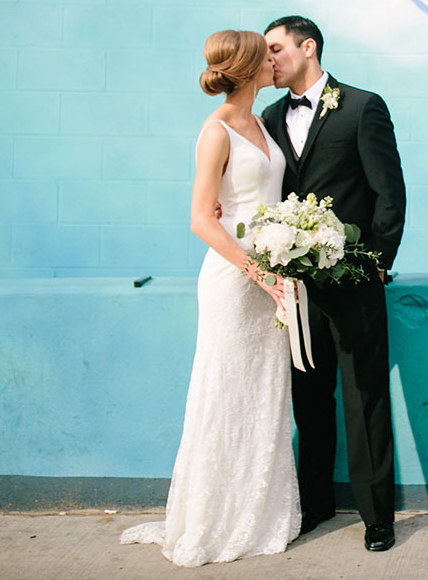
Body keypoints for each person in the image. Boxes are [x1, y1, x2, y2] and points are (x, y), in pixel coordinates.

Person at [120, 30, 300, 566]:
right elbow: (202, 218)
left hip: (271, 274)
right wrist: (257, 272)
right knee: (224, 394)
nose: (276, 62)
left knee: (266, 395)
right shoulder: (215, 131)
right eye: (268, 56)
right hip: (232, 280)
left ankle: (261, 513)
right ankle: (211, 520)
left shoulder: (263, 124)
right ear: (248, 68)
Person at [260, 15, 407, 551]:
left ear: (308, 47)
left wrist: (375, 263)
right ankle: (316, 502)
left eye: (275, 49)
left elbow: (389, 193)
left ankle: (377, 519)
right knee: (309, 398)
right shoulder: (270, 116)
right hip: (296, 291)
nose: (268, 59)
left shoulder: (363, 106)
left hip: (354, 283)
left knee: (364, 399)